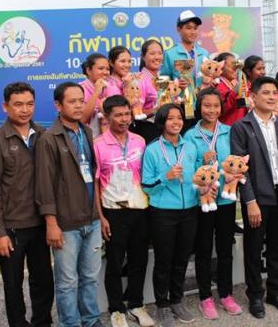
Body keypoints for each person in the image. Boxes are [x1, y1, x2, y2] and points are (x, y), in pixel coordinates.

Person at [231, 76, 278, 319]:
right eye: (266, 93)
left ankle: (275, 291)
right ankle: (255, 295)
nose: (272, 97)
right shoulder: (242, 127)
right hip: (258, 199)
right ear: (253, 97)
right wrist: (250, 202)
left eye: (275, 92)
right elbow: (239, 169)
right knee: (254, 249)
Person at [35, 82, 104, 327]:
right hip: (66, 224)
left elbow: (93, 175)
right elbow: (44, 184)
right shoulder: (49, 139)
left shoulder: (86, 132)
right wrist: (51, 223)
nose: (78, 106)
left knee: (90, 278)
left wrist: (99, 215)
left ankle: (91, 320)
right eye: (72, 101)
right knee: (67, 282)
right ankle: (70, 323)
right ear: (58, 105)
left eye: (81, 101)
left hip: (92, 220)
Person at [0, 82, 54, 327]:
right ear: (5, 107)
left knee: (43, 280)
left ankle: (42, 322)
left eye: (29, 104)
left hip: (41, 222)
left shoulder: (43, 135)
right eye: (18, 104)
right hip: (12, 227)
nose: (25, 110)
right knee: (13, 285)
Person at [93, 95, 154, 327]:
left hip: (140, 209)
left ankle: (136, 304)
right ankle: (116, 309)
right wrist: (100, 217)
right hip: (113, 212)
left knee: (139, 260)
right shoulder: (98, 144)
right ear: (107, 117)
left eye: (127, 114)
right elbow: (95, 184)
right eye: (118, 115)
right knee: (115, 263)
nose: (124, 119)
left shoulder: (139, 141)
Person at [184, 88, 242, 320]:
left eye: (216, 106)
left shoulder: (229, 131)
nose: (212, 110)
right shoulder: (190, 135)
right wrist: (202, 160)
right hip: (203, 201)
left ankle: (226, 294)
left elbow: (237, 162)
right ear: (199, 107)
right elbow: (188, 167)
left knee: (225, 248)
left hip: (226, 199)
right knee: (204, 249)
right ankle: (205, 297)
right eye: (207, 106)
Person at [142, 104, 198, 327]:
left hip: (190, 211)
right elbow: (146, 186)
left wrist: (204, 188)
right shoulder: (152, 150)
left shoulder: (190, 147)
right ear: (162, 122)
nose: (176, 122)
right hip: (163, 212)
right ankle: (162, 305)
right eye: (171, 118)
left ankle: (176, 300)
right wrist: (166, 176)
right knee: (164, 261)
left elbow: (197, 177)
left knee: (182, 259)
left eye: (179, 118)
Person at [161, 10, 209, 131]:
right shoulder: (170, 54)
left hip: (203, 105)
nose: (193, 32)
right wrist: (176, 84)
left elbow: (210, 76)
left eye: (195, 28)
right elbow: (163, 82)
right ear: (179, 29)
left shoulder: (204, 53)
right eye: (188, 28)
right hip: (181, 106)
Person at [130, 39, 164, 144]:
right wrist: (156, 110)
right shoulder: (138, 80)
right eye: (152, 53)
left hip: (164, 127)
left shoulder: (163, 78)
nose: (157, 57)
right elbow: (136, 113)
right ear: (143, 57)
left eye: (160, 53)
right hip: (147, 129)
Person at [80, 52, 110, 138]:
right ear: (88, 70)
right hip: (87, 139)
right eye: (101, 68)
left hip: (107, 139)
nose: (105, 72)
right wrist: (96, 93)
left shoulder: (109, 87)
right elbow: (82, 120)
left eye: (107, 69)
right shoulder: (80, 89)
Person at [215, 52, 247, 126]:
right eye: (233, 65)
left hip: (240, 127)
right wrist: (234, 92)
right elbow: (221, 110)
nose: (235, 69)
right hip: (227, 127)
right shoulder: (218, 86)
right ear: (221, 67)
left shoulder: (236, 83)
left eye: (236, 66)